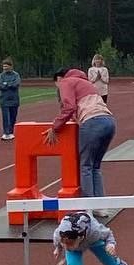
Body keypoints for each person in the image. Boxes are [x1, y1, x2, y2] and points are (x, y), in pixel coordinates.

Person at [45, 69, 116, 200]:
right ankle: (101, 204)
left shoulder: (66, 82)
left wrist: (55, 127)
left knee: (86, 166)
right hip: (109, 121)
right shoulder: (86, 83)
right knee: (95, 167)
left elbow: (69, 107)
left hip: (92, 122)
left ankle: (88, 205)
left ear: (59, 79)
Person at [0, 58, 21, 139]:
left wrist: (6, 84)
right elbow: (0, 86)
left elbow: (16, 84)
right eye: (4, 66)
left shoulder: (16, 75)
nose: (5, 68)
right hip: (4, 100)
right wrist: (9, 84)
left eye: (6, 66)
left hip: (14, 100)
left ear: (11, 66)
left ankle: (11, 132)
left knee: (13, 117)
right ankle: (6, 132)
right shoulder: (1, 76)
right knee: (5, 117)